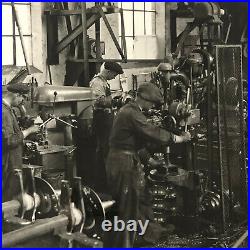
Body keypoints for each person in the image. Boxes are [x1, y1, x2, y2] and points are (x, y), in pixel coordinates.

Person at [103, 82, 191, 248]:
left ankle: (150, 234)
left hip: (129, 160)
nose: (152, 107)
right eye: (151, 103)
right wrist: (178, 138)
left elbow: (136, 142)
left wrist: (150, 161)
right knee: (128, 207)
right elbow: (152, 131)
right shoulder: (130, 113)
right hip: (122, 163)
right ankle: (125, 244)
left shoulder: (134, 111)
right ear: (142, 98)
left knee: (142, 199)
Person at [90, 62, 124, 192]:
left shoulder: (103, 82)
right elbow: (99, 101)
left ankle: (106, 182)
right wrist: (114, 97)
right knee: (104, 152)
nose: (115, 77)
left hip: (106, 120)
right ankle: (101, 185)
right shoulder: (97, 82)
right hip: (101, 121)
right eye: (114, 74)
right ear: (108, 71)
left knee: (107, 150)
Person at [2, 83, 40, 202]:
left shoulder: (8, 109)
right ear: (17, 95)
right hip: (8, 163)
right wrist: (28, 131)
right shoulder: (4, 112)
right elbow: (9, 140)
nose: (22, 102)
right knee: (8, 199)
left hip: (11, 162)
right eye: (22, 99)